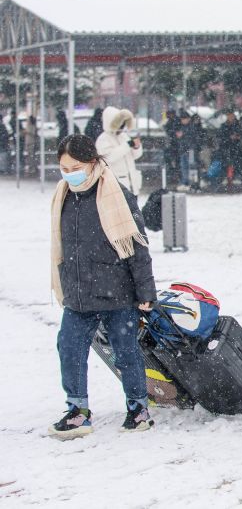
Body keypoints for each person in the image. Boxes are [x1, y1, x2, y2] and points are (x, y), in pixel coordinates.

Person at [49, 134, 157, 439]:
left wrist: (146, 291)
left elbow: (138, 245)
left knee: (126, 353)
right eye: (63, 167)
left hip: (117, 291)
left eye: (75, 166)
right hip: (79, 293)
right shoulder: (64, 195)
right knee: (69, 349)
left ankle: (138, 409)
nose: (69, 173)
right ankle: (77, 411)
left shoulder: (116, 194)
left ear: (93, 162)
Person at [95, 107, 144, 196]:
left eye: (123, 124)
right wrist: (128, 145)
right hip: (117, 188)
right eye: (119, 124)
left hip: (132, 186)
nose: (121, 127)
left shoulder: (124, 136)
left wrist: (136, 147)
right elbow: (109, 157)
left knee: (133, 209)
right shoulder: (103, 139)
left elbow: (136, 156)